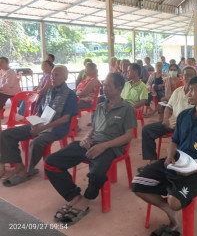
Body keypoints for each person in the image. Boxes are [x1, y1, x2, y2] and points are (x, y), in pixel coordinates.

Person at [132, 75, 197, 235]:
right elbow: (174, 142)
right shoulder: (184, 116)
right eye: (188, 90)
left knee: (175, 202)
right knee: (137, 185)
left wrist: (195, 169)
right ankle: (168, 208)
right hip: (176, 161)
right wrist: (169, 156)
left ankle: (172, 203)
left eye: (193, 90)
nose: (188, 93)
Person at [45, 73, 136, 226]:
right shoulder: (101, 105)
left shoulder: (127, 108)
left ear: (119, 88)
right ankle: (74, 196)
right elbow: (94, 128)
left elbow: (128, 136)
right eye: (104, 84)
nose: (104, 87)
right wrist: (87, 137)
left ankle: (86, 199)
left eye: (108, 85)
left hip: (111, 147)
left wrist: (104, 145)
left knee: (97, 171)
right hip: (92, 143)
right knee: (51, 162)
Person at [1, 66, 78, 186]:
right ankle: (18, 165)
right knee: (6, 134)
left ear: (65, 77)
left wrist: (42, 128)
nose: (52, 77)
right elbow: (39, 110)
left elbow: (65, 119)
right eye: (52, 74)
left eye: (56, 75)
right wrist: (34, 123)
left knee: (36, 142)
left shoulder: (70, 95)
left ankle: (27, 171)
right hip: (40, 124)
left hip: (57, 129)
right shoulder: (48, 91)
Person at [139, 66, 196, 169]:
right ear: (182, 76)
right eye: (186, 75)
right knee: (147, 130)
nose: (188, 77)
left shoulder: (196, 93)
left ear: (195, 77)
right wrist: (165, 119)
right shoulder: (178, 91)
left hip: (187, 127)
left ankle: (178, 163)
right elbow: (168, 107)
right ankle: (152, 162)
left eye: (191, 75)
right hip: (172, 122)